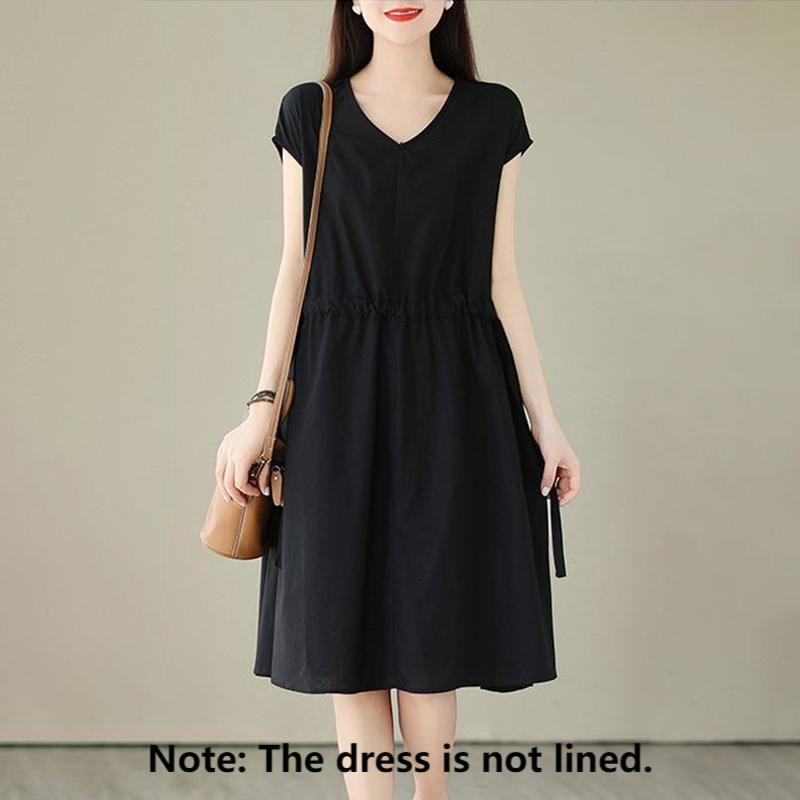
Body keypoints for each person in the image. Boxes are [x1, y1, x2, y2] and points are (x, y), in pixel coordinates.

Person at [214, 2, 581, 798]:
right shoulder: (310, 111)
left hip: (457, 397)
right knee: (342, 626)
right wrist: (261, 408)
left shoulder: (492, 115)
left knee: (432, 622)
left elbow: (502, 279)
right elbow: (294, 270)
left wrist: (546, 422)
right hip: (336, 397)